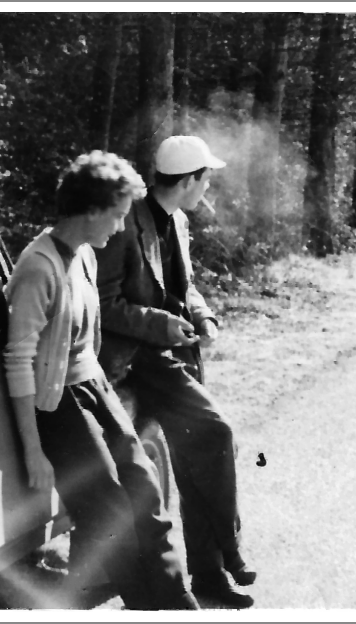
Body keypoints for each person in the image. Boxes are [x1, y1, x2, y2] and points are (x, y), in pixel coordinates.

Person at [3, 151, 199, 611]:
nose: (120, 227)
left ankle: (179, 602)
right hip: (56, 402)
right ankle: (151, 608)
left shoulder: (87, 255)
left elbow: (87, 339)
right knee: (110, 507)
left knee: (144, 485)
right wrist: (33, 449)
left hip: (92, 384)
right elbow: (18, 361)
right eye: (116, 216)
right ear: (90, 210)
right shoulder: (38, 268)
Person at [94, 135, 256, 608]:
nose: (207, 188)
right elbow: (104, 304)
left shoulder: (178, 220)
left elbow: (186, 289)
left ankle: (210, 574)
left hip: (172, 357)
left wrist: (204, 317)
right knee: (217, 432)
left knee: (197, 455)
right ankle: (229, 549)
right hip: (137, 362)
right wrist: (163, 325)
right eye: (205, 180)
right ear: (188, 181)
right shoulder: (126, 224)